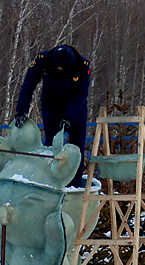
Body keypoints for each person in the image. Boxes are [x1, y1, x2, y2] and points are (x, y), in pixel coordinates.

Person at [13, 44, 91, 187]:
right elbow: (29, 84)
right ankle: (52, 184)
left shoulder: (82, 65)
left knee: (76, 149)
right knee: (52, 148)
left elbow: (81, 94)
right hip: (51, 108)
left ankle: (74, 186)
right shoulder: (43, 60)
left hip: (75, 110)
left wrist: (68, 117)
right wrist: (21, 110)